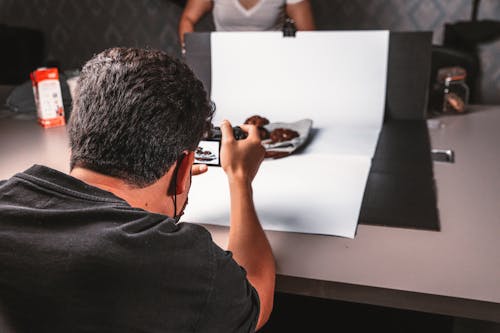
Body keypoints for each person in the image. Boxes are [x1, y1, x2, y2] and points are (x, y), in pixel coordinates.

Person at [0, 47, 275, 332]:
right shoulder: (183, 263)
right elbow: (257, 294)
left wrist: (171, 178)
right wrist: (240, 178)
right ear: (184, 169)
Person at [178, 0, 315, 48]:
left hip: (272, 57)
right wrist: (190, 50)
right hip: (225, 56)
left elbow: (309, 35)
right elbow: (188, 19)